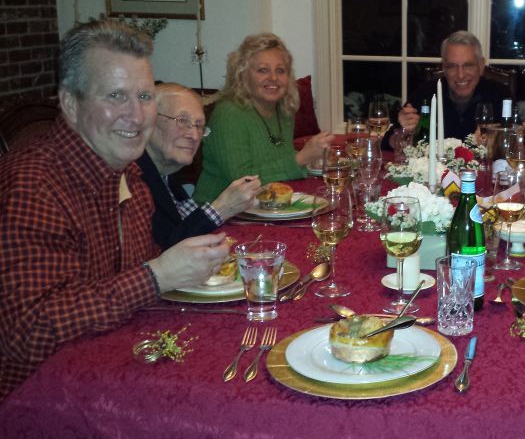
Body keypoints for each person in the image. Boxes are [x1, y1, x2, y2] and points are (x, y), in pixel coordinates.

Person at [0, 20, 230, 400]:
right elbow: (29, 334)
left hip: (113, 374)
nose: (137, 117)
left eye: (144, 96)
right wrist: (158, 275)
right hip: (39, 401)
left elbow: (132, 292)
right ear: (70, 104)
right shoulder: (33, 184)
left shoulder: (130, 178)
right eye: (116, 96)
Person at [193, 33, 334, 202]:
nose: (273, 78)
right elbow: (242, 180)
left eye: (280, 70)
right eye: (263, 70)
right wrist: (301, 158)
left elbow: (272, 158)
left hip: (265, 205)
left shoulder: (283, 110)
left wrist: (311, 161)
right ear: (243, 75)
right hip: (219, 210)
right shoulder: (229, 113)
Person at [137, 83, 262, 249]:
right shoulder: (135, 179)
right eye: (182, 121)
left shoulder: (166, 173)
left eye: (199, 126)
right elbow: (167, 250)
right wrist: (221, 208)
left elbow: (182, 227)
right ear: (148, 121)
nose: (194, 135)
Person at [383, 30, 508, 149]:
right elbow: (387, 141)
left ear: (481, 65)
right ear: (444, 67)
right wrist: (404, 132)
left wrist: (496, 141)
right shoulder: (426, 93)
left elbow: (515, 143)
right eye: (452, 66)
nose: (460, 75)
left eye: (468, 65)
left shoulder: (501, 95)